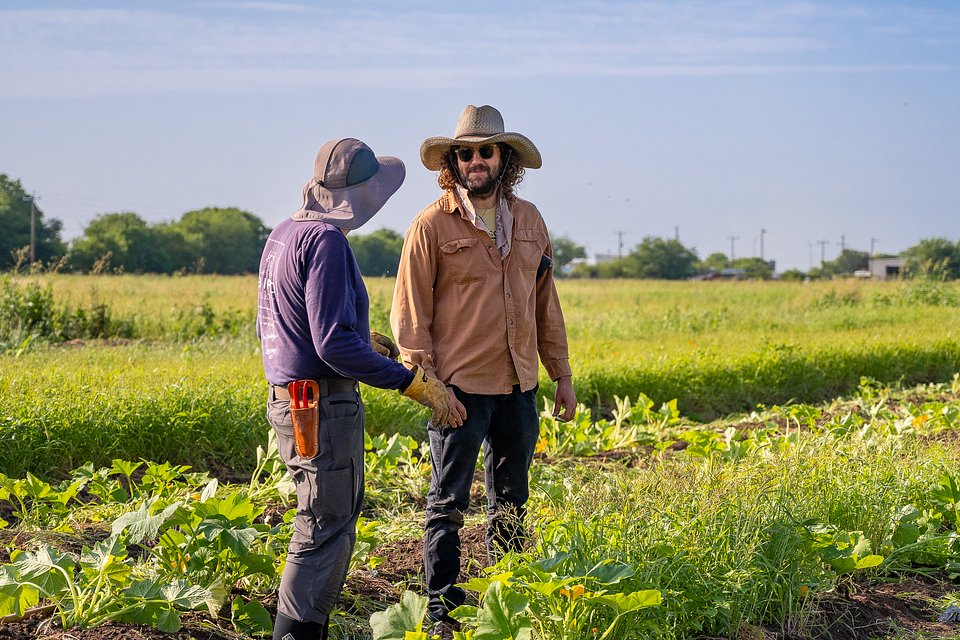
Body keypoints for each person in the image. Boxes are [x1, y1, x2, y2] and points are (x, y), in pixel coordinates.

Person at [257, 137, 454, 640]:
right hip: (321, 405)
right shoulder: (326, 242)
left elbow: (298, 323)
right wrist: (412, 383)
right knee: (324, 528)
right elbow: (332, 348)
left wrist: (361, 338)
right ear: (362, 195)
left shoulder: (285, 233)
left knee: (321, 520)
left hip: (293, 401)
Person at [390, 105, 577, 634]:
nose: (475, 160)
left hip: (519, 386)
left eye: (485, 151)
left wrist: (561, 374)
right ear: (453, 161)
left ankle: (508, 600)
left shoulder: (532, 221)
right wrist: (429, 389)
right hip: (458, 391)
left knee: (512, 500)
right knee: (448, 503)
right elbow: (410, 317)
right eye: (465, 153)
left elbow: (546, 302)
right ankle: (441, 612)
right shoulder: (430, 224)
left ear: (504, 159)